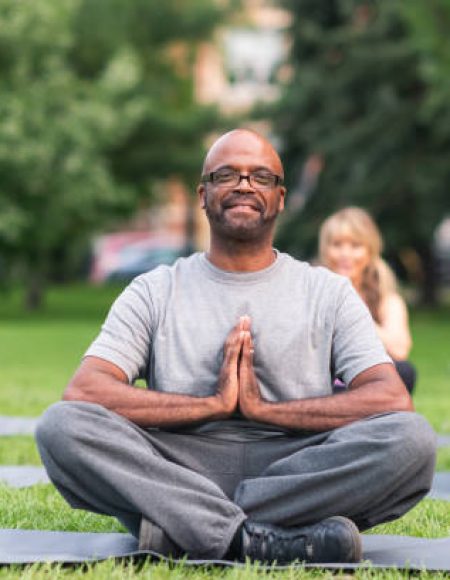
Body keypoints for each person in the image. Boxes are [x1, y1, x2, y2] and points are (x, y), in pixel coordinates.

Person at [36, 129, 436, 566]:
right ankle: (264, 538)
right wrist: (213, 405)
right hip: (179, 465)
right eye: (227, 174)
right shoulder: (154, 289)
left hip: (298, 465)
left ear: (280, 198)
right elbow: (87, 391)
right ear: (203, 194)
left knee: (411, 441)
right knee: (62, 426)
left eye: (260, 177)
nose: (244, 185)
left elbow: (390, 396)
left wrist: (265, 411)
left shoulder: (328, 291)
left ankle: (184, 529)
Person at [319, 207, 417, 394]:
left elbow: (399, 349)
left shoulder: (386, 299)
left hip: (365, 381)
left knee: (404, 371)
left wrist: (349, 304)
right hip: (324, 383)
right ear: (325, 249)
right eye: (337, 244)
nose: (345, 254)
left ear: (370, 251)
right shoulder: (312, 289)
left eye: (355, 246)